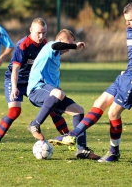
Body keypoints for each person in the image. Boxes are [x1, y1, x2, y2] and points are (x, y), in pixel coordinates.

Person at [48, 1, 132, 162]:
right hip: (127, 74)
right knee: (99, 102)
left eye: (130, 19)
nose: (127, 23)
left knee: (113, 113)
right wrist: (127, 70)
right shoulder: (129, 29)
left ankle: (113, 152)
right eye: (126, 19)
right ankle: (73, 135)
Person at [0, 18, 70, 151]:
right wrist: (14, 87)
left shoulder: (45, 44)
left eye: (44, 33)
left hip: (33, 82)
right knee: (15, 111)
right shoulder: (23, 45)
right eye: (38, 33)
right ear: (31, 30)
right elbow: (15, 69)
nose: (41, 36)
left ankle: (68, 138)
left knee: (52, 107)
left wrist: (53, 86)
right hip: (15, 80)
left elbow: (48, 67)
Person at [27, 28, 100, 160]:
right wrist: (74, 46)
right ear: (61, 40)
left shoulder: (56, 57)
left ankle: (81, 150)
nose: (68, 49)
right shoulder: (50, 46)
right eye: (67, 44)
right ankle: (35, 124)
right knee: (58, 93)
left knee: (78, 111)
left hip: (50, 93)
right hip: (36, 89)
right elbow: (56, 45)